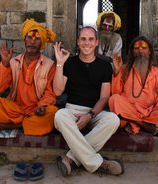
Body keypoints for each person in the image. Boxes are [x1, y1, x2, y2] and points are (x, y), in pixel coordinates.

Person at [53, 26, 123, 177]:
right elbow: (57, 91)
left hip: (95, 112)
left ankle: (70, 158)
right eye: (83, 39)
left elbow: (104, 97)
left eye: (91, 39)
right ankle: (98, 163)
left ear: (96, 42)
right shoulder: (69, 63)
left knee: (113, 119)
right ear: (78, 42)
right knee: (59, 116)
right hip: (72, 110)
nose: (87, 43)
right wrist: (59, 63)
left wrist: (90, 115)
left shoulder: (105, 66)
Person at [109, 36, 158, 135]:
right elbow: (116, 93)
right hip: (130, 109)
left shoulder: (157, 73)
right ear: (132, 52)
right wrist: (116, 72)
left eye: (144, 48)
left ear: (150, 51)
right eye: (136, 48)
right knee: (114, 99)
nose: (140, 51)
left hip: (151, 112)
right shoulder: (124, 69)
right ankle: (145, 125)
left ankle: (133, 123)